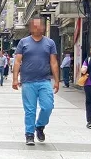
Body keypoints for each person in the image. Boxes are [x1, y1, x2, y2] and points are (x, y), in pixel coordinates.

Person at [12, 16, 60, 146]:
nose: (37, 28)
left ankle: (40, 126)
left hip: (44, 80)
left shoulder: (50, 43)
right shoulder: (23, 42)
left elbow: (53, 62)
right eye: (35, 25)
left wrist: (57, 80)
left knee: (48, 106)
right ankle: (29, 134)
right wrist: (15, 79)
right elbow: (17, 61)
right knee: (30, 109)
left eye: (40, 25)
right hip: (28, 81)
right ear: (31, 27)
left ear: (43, 27)